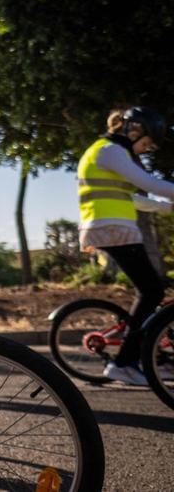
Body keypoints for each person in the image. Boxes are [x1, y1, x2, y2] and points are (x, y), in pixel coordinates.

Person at [77, 107, 174, 385]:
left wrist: (166, 208)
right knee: (152, 291)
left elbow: (133, 198)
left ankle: (153, 357)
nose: (143, 150)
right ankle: (124, 363)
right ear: (134, 130)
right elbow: (149, 183)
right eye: (144, 144)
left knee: (152, 290)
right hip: (112, 230)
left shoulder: (110, 152)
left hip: (111, 229)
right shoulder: (109, 150)